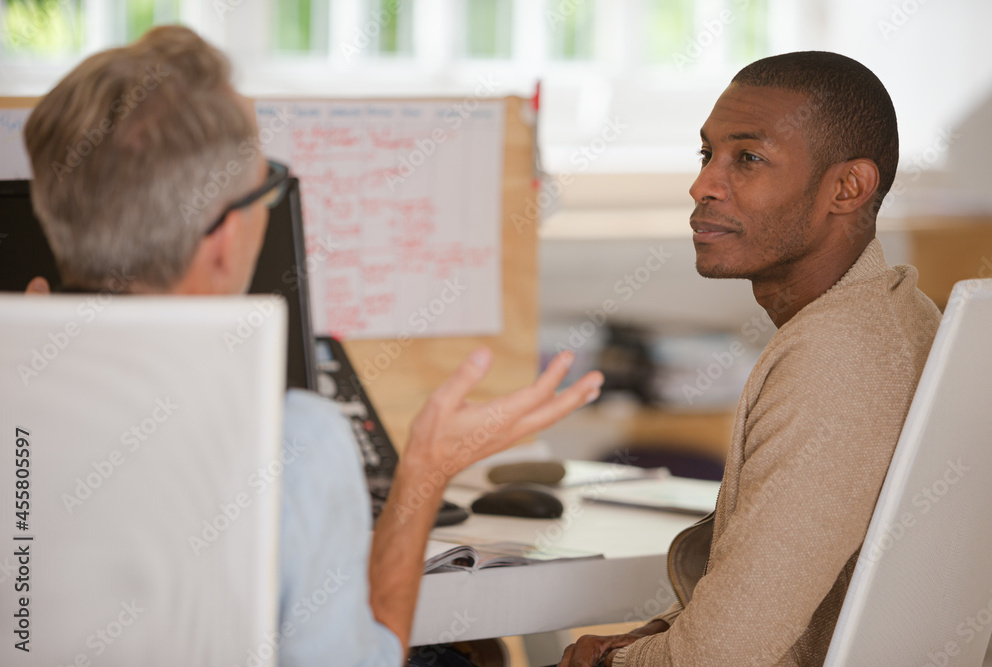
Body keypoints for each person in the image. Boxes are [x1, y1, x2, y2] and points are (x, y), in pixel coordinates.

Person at [21, 26, 604, 666]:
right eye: (266, 186)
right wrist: (424, 471)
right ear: (224, 241)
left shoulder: (21, 397)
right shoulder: (294, 441)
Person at [557, 52, 942, 666]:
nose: (703, 184)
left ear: (848, 187)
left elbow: (721, 657)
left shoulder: (833, 358)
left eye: (749, 158)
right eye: (706, 155)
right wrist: (654, 637)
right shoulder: (897, 311)